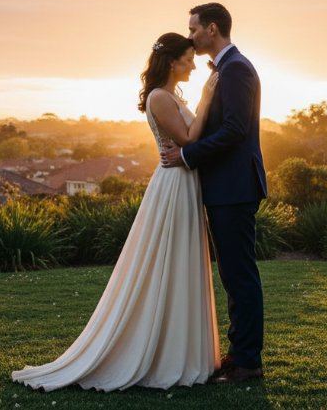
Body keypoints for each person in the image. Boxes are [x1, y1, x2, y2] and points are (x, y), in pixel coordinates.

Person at [11, 32, 221, 392]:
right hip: (173, 185)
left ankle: (182, 349)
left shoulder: (169, 95)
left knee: (181, 259)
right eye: (188, 58)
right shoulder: (159, 97)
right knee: (166, 260)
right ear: (172, 61)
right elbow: (187, 138)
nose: (192, 64)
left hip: (184, 182)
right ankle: (159, 351)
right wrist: (206, 99)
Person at [160, 2, 267, 384]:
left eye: (194, 29)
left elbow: (236, 129)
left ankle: (248, 363)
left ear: (212, 28)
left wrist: (187, 154)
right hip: (225, 186)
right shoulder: (226, 69)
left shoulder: (236, 69)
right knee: (233, 276)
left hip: (234, 187)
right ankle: (241, 353)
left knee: (239, 276)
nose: (190, 36)